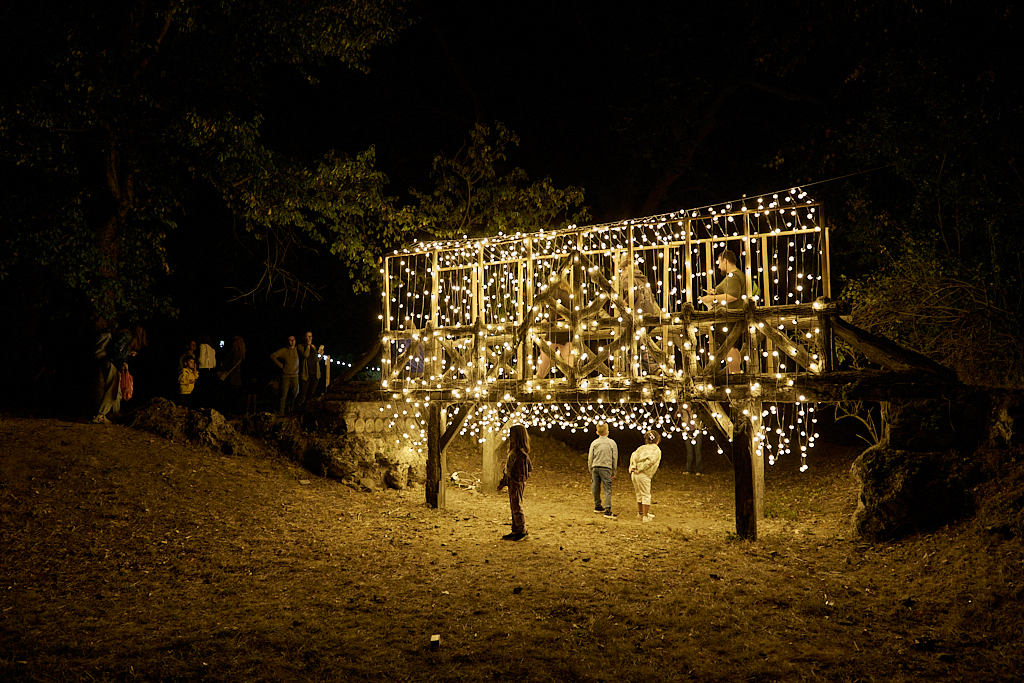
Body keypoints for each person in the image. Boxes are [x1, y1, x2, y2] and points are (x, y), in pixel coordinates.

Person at [698, 249, 746, 373]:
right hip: (733, 317)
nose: (718, 266)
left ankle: (735, 374)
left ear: (725, 261)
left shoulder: (733, 276)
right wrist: (716, 292)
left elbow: (732, 296)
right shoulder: (737, 275)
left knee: (727, 348)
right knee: (732, 347)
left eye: (719, 262)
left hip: (728, 318)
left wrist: (711, 298)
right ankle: (736, 373)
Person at [93, 323, 147, 424]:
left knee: (117, 389)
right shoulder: (127, 335)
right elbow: (116, 349)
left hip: (111, 362)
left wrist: (127, 354)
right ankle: (100, 415)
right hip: (110, 361)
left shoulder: (126, 335)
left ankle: (110, 413)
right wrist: (122, 361)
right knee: (113, 388)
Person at [497, 424, 533, 541]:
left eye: (512, 435)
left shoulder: (521, 454)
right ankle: (515, 530)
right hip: (511, 480)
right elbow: (508, 468)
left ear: (518, 437)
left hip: (517, 482)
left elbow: (522, 473)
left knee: (517, 506)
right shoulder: (513, 451)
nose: (510, 437)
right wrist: (504, 482)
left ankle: (522, 531)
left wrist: (516, 485)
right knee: (513, 506)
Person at [536, 281, 573, 378]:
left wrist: (548, 319)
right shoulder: (568, 293)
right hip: (567, 328)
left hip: (556, 328)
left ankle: (539, 376)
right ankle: (572, 377)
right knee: (568, 355)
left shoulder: (556, 293)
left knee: (545, 354)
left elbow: (555, 311)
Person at [629, 430, 662, 522]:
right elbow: (650, 461)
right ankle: (645, 515)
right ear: (658, 440)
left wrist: (633, 467)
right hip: (643, 474)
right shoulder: (656, 450)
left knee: (639, 493)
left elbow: (633, 456)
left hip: (634, 474)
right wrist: (640, 469)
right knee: (646, 494)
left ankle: (641, 512)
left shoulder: (641, 448)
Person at [588, 422, 619, 518]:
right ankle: (607, 509)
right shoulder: (612, 443)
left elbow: (590, 457)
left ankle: (597, 505)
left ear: (597, 432)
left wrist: (590, 468)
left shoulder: (594, 443)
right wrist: (614, 470)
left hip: (595, 466)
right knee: (607, 488)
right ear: (607, 432)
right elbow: (614, 458)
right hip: (605, 467)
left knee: (595, 486)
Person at [270, 334, 300, 415]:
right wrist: (281, 366)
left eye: (293, 339)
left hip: (295, 375)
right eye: (290, 340)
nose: (292, 341)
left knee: (295, 394)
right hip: (286, 375)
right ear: (288, 341)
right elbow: (273, 356)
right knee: (283, 395)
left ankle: (292, 411)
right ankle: (281, 413)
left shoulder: (298, 350)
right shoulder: (284, 350)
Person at [220, 336, 246, 415]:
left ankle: (229, 412)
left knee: (229, 396)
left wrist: (224, 366)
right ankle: (234, 412)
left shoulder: (235, 352)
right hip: (237, 377)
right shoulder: (241, 352)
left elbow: (232, 364)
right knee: (235, 396)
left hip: (232, 377)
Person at [297, 331, 323, 406]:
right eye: (307, 336)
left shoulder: (313, 347)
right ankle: (296, 408)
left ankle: (307, 408)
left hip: (315, 373)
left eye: (310, 336)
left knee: (311, 393)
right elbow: (306, 355)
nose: (309, 338)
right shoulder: (300, 346)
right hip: (306, 373)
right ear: (304, 337)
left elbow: (316, 359)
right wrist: (308, 345)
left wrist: (321, 355)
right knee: (302, 393)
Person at [680, 405, 704, 475]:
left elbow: (701, 418)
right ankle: (688, 469)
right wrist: (678, 409)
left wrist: (691, 411)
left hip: (697, 432)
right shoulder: (683, 411)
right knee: (689, 451)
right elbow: (676, 417)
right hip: (687, 432)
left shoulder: (697, 410)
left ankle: (698, 470)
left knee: (698, 451)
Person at [195, 335, 217, 406]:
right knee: (209, 388)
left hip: (203, 369)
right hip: (211, 369)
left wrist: (197, 363)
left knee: (202, 387)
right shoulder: (212, 348)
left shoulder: (202, 346)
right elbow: (214, 363)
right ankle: (208, 404)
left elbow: (201, 359)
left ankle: (202, 403)